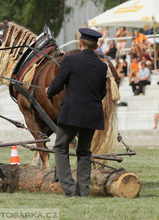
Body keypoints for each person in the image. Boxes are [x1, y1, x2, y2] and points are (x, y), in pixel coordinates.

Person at [46, 28, 107, 197]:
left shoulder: (70, 60)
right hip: (92, 114)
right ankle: (84, 191)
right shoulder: (102, 66)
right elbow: (103, 92)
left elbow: (58, 83)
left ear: (80, 43)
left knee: (60, 147)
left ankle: (70, 189)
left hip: (72, 113)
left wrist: (49, 92)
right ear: (96, 46)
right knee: (84, 152)